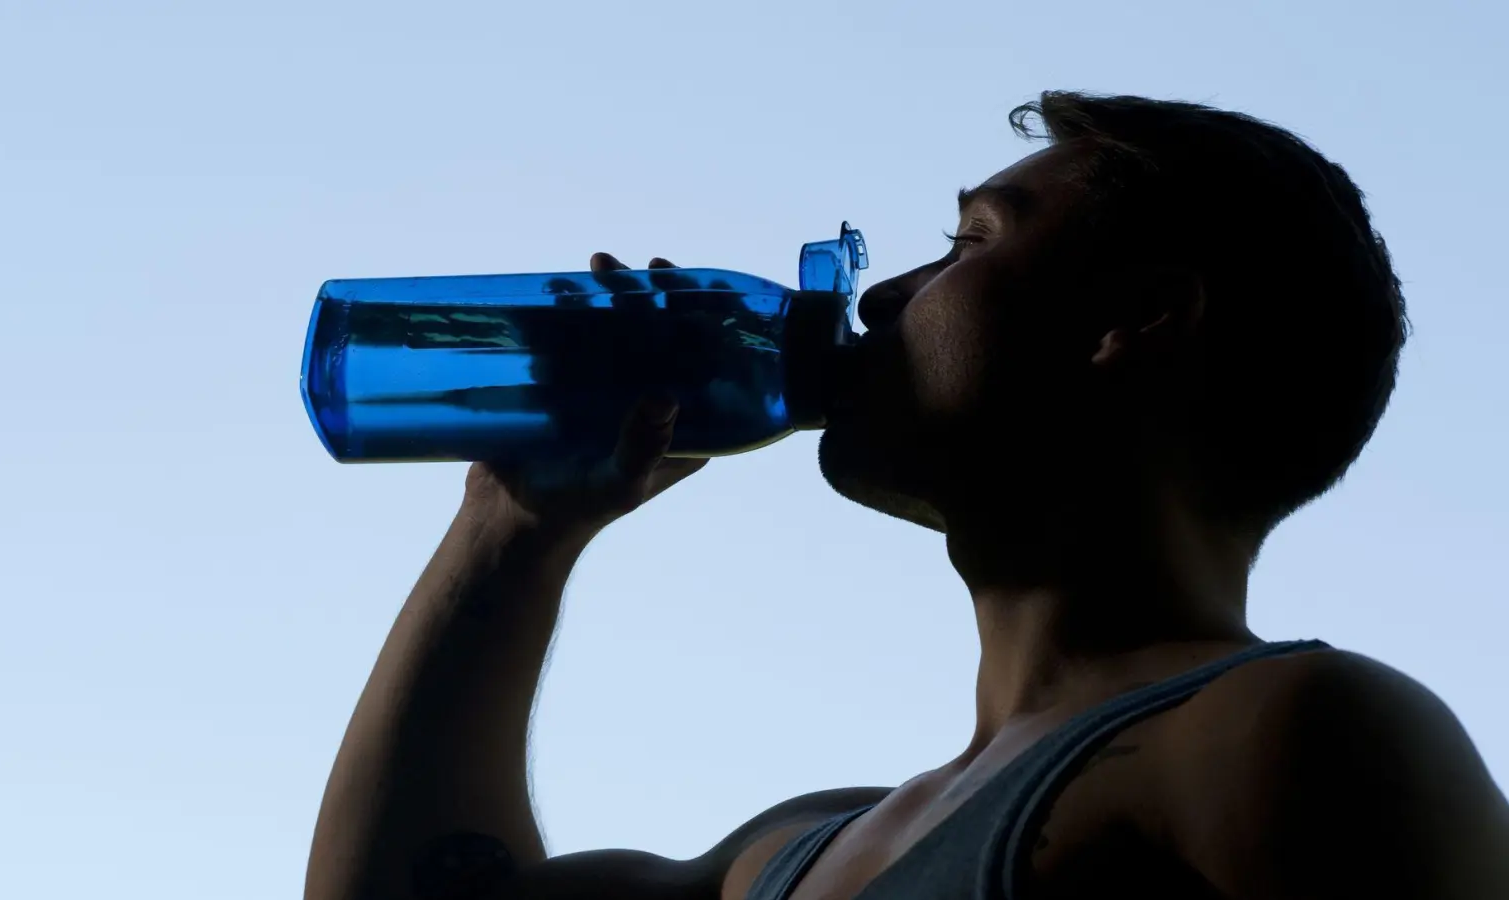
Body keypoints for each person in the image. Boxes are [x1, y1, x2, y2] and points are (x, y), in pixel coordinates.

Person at [302, 92, 1509, 900]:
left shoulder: (1300, 734)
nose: (881, 303)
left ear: (1133, 322)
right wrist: (511, 529)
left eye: (971, 241)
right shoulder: (795, 850)